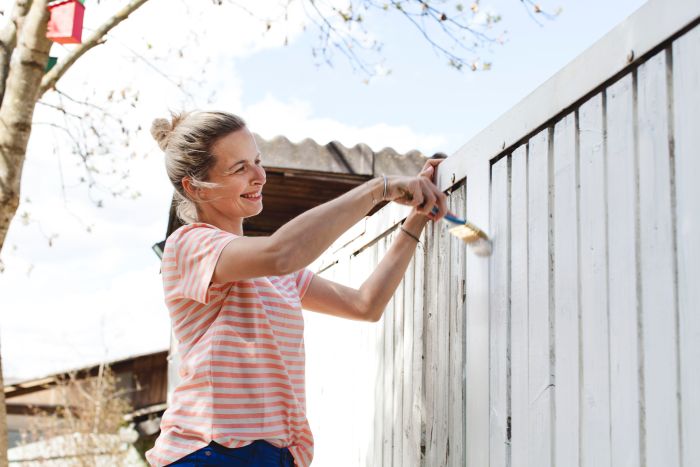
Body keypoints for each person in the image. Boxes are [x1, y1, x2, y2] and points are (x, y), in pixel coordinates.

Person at [145, 110, 447, 467]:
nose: (259, 176)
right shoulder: (190, 247)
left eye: (257, 161)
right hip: (209, 453)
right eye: (239, 168)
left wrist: (417, 217)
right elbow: (282, 252)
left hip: (277, 455)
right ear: (194, 187)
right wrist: (379, 189)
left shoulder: (275, 274)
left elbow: (366, 304)